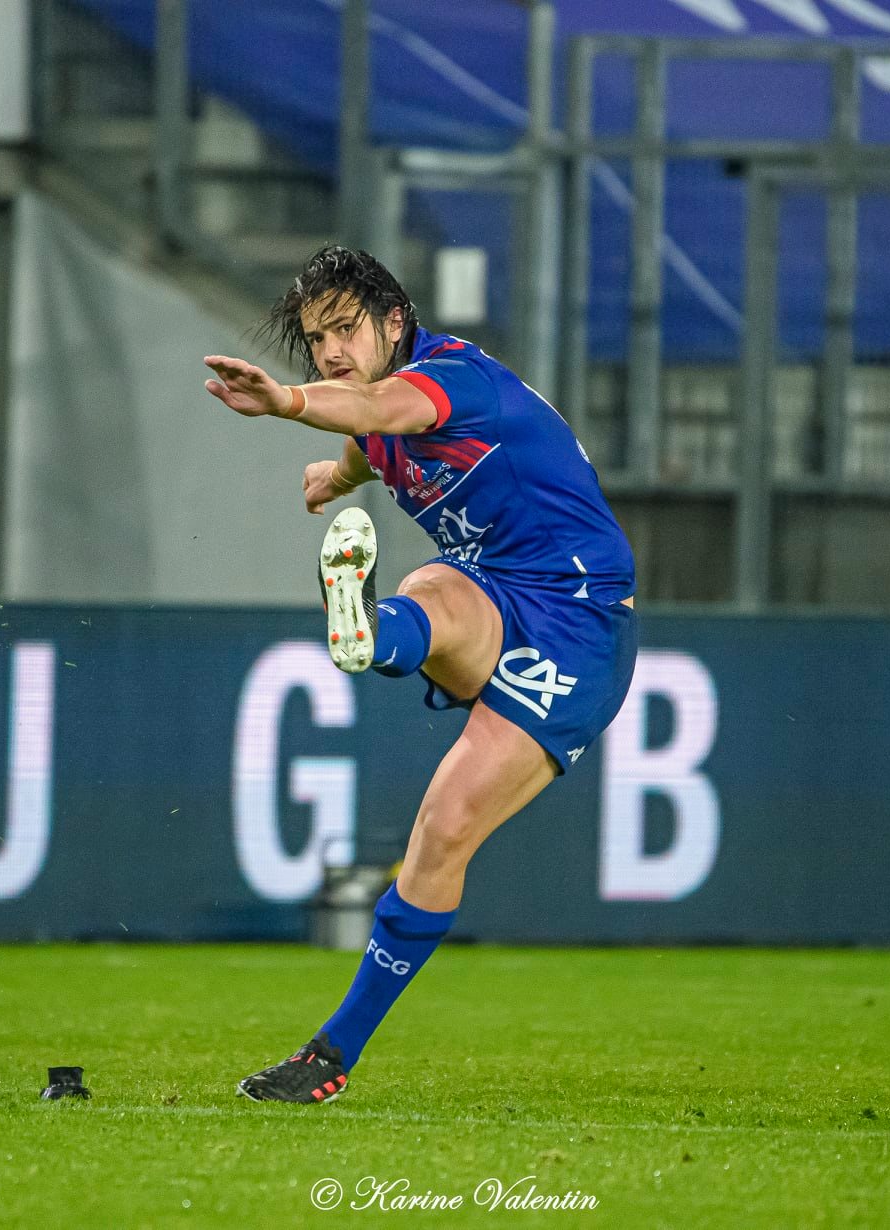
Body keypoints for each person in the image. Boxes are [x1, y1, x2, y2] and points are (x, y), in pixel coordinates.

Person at [204, 246, 637, 1102]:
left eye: (345, 328)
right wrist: (337, 476)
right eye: (315, 338)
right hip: (497, 592)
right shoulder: (381, 407)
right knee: (434, 589)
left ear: (395, 320)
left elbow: (379, 408)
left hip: (580, 622)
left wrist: (287, 401)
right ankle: (370, 634)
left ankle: (332, 1052)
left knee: (446, 829)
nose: (330, 350)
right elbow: (372, 437)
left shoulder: (452, 380)